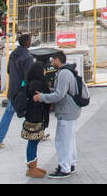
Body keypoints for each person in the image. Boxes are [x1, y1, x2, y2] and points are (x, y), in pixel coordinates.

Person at [34, 50, 83, 178]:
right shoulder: (68, 71)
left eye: (52, 61)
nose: (51, 63)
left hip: (66, 111)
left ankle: (64, 168)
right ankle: (71, 163)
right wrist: (48, 92)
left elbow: (59, 95)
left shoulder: (63, 73)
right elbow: (61, 91)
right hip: (72, 110)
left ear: (56, 60)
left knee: (62, 141)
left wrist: (42, 97)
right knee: (69, 139)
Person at [0, 32, 34, 147]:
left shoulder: (13, 54)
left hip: (12, 89)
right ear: (27, 43)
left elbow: (8, 70)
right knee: (32, 112)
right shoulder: (28, 57)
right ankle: (38, 133)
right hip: (22, 91)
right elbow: (28, 76)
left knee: (8, 113)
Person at [18, 52, 50, 178]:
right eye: (44, 70)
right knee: (33, 141)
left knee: (35, 141)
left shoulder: (33, 81)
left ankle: (34, 166)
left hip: (35, 115)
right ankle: (31, 168)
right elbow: (35, 99)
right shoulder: (36, 83)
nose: (45, 72)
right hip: (34, 117)